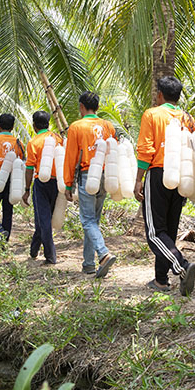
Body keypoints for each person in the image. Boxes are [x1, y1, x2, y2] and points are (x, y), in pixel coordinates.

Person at [134, 75, 195, 296]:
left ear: (160, 94)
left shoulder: (152, 114)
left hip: (158, 173)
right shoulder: (187, 118)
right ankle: (161, 280)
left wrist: (138, 179)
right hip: (182, 176)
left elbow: (146, 150)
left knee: (155, 233)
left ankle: (182, 266)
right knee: (168, 230)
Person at [63, 92, 118, 278]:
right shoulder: (107, 126)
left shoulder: (76, 127)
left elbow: (71, 157)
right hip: (106, 174)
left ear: (81, 106)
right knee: (93, 221)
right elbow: (114, 150)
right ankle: (88, 264)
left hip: (88, 175)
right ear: (97, 107)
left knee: (87, 220)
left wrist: (68, 183)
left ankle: (103, 253)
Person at [25, 110, 62, 264]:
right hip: (57, 182)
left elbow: (29, 168)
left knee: (44, 219)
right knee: (44, 218)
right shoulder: (58, 139)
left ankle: (50, 255)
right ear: (48, 123)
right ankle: (34, 250)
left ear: (34, 125)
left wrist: (27, 189)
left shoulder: (34, 142)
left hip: (41, 182)